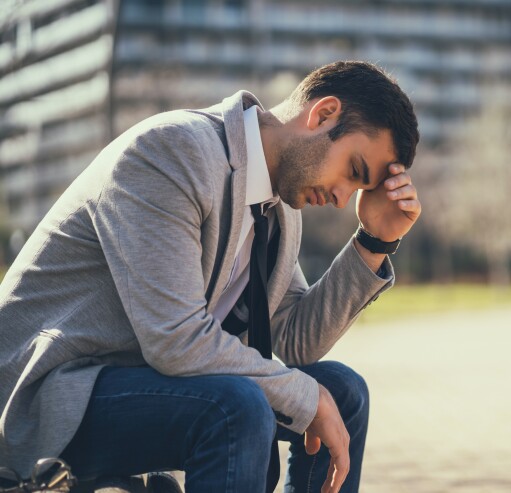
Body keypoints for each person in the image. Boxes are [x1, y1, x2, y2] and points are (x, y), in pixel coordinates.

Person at [0, 61, 420, 493]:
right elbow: (176, 339)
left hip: (138, 383)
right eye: (353, 171)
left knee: (343, 391)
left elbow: (295, 343)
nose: (341, 199)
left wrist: (373, 241)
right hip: (48, 397)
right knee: (236, 407)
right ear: (324, 113)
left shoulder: (280, 209)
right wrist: (305, 398)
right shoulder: (173, 152)